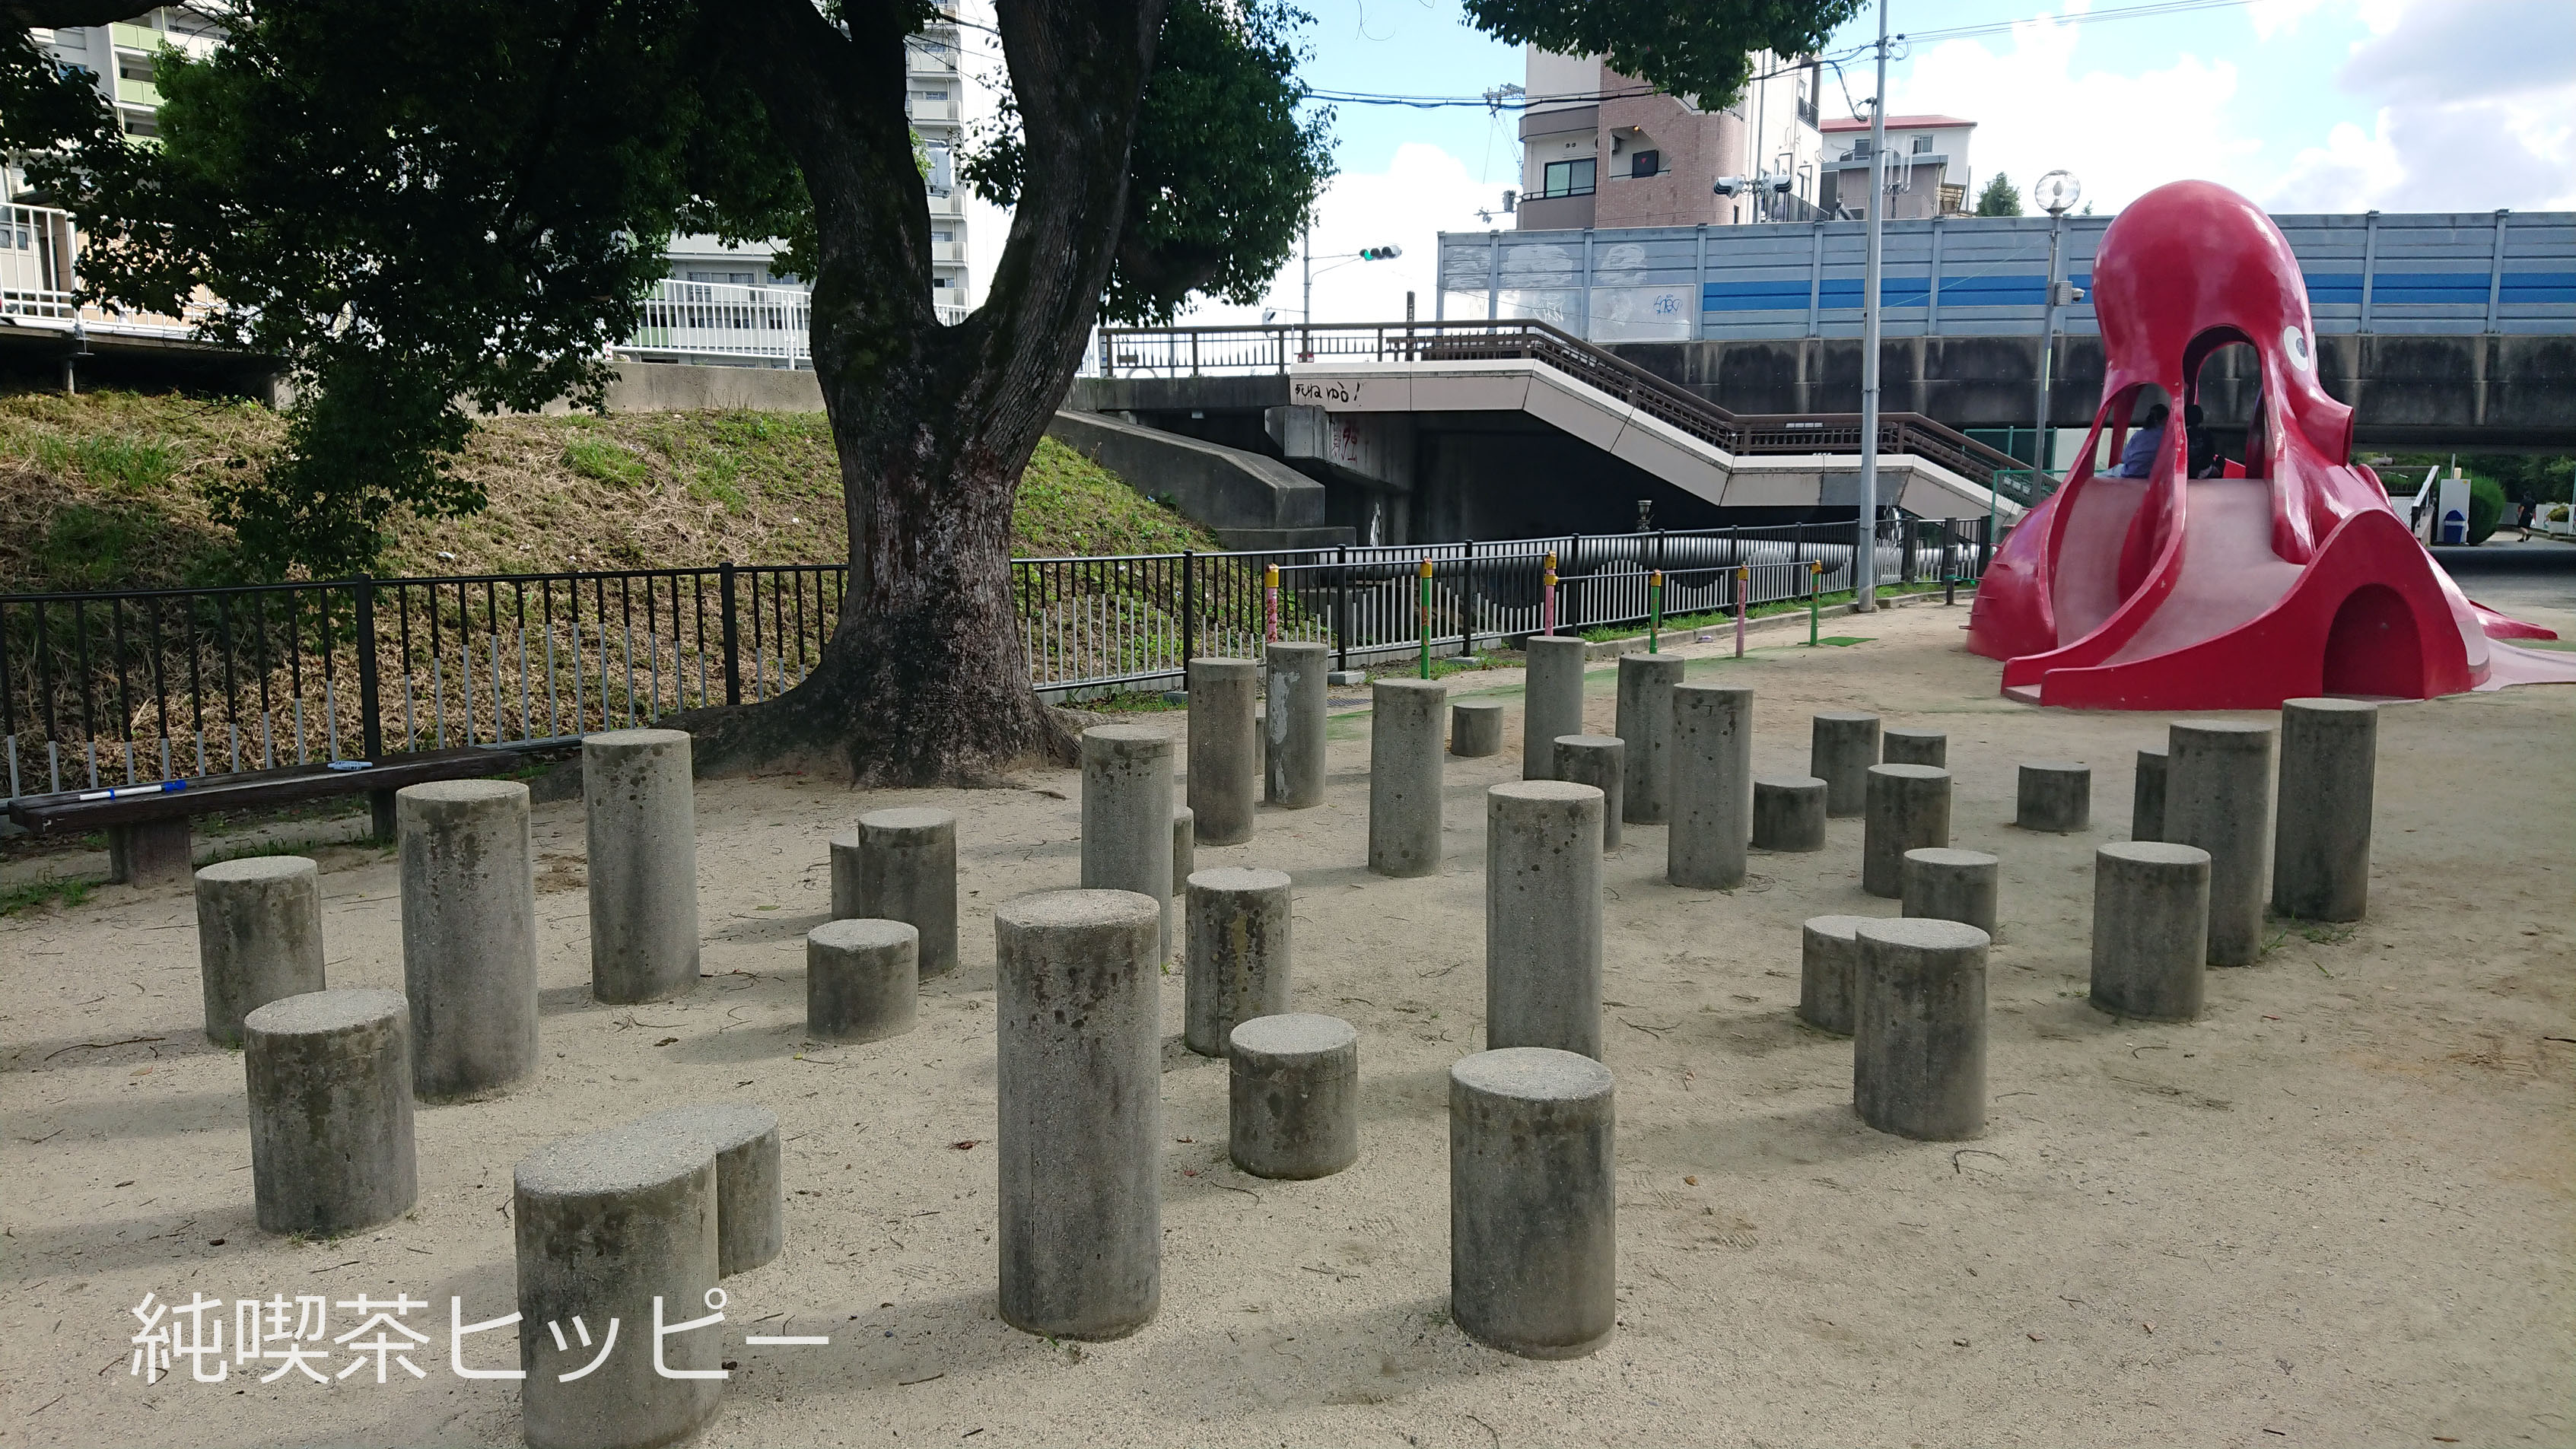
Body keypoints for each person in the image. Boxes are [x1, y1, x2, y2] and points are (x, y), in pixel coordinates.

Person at [2118, 403, 2168, 477]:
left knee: (2110, 472)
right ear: (2166, 419)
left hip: (2129, 473)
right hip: (2150, 474)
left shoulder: (2139, 434)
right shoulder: (2166, 437)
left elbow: (2124, 458)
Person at [2185, 403, 2218, 478]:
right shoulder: (2206, 433)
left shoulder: (2182, 433)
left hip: (2188, 469)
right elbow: (2211, 452)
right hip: (2204, 468)